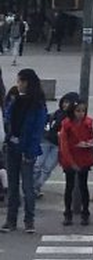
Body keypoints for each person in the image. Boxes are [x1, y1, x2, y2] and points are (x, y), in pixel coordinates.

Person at [3, 68, 47, 233]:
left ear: (27, 82)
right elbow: (8, 119)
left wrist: (30, 152)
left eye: (20, 81)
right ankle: (11, 220)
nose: (18, 84)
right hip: (12, 146)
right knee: (12, 186)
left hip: (27, 150)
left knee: (28, 187)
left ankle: (29, 220)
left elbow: (37, 131)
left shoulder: (37, 104)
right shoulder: (16, 100)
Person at [57, 99, 93, 226]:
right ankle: (68, 213)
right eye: (78, 111)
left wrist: (89, 143)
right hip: (71, 158)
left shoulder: (88, 123)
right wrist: (71, 162)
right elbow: (64, 145)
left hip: (83, 157)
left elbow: (91, 137)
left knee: (83, 186)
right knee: (70, 186)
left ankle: (85, 213)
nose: (81, 114)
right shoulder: (67, 125)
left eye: (83, 111)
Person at [33, 92, 77, 193]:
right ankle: (32, 187)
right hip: (46, 141)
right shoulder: (57, 113)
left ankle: (36, 187)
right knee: (37, 165)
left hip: (58, 146)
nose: (65, 105)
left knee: (47, 168)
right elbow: (45, 121)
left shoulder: (72, 118)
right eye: (64, 102)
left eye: (68, 103)